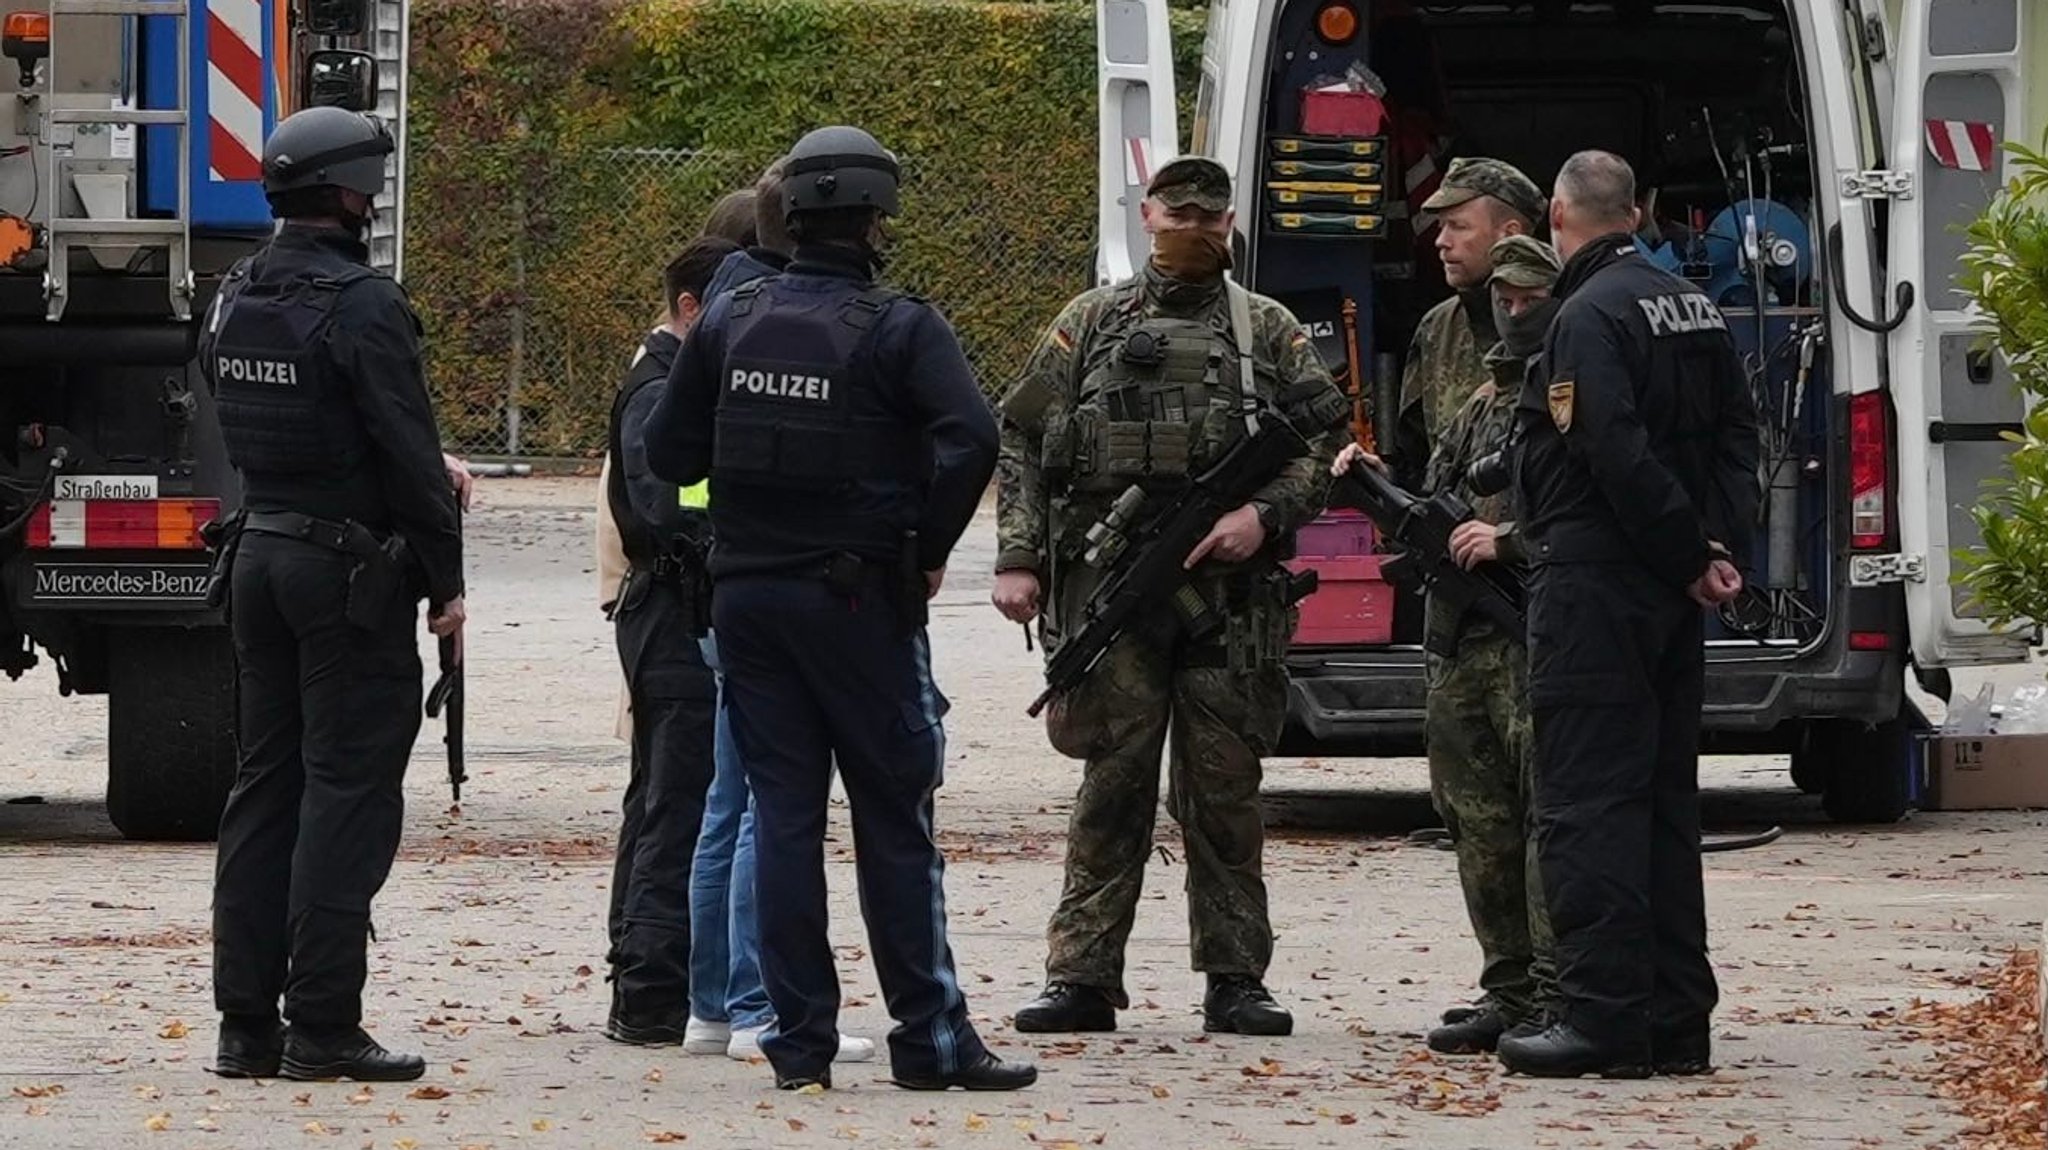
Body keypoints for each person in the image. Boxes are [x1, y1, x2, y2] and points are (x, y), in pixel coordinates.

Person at [644, 124, 1034, 1093]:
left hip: (747, 599)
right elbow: (972, 437)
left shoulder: (729, 317)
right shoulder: (898, 325)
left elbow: (670, 455)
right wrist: (923, 551)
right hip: (858, 598)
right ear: (873, 220)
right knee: (892, 817)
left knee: (780, 816)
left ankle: (799, 1045)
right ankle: (928, 1039)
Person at [994, 156, 1350, 1038]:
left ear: (1229, 221)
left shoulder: (1264, 328)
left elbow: (1325, 442)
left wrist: (1260, 518)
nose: (1193, 224)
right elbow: (1024, 436)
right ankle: (1081, 976)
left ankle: (1235, 976)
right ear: (1147, 213)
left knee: (1223, 787)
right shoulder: (1091, 321)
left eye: (1209, 212)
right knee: (1112, 784)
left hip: (1230, 601)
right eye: (1177, 208)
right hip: (1112, 590)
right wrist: (1019, 559)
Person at [206, 106, 464, 1083]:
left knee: (263, 789)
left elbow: (253, 415)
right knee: (345, 794)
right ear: (353, 192)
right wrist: (446, 583)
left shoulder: (234, 293)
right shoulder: (363, 304)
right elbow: (405, 455)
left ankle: (244, 1025)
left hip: (261, 555)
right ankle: (322, 1021)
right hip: (347, 577)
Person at [1495, 150, 1757, 1079]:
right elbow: (1738, 433)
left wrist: (1685, 552)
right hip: (1669, 589)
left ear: (1559, 215)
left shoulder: (1584, 316)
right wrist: (1713, 549)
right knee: (1661, 805)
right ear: (1637, 211)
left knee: (1587, 808)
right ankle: (1677, 1021)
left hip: (1599, 586)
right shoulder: (1692, 304)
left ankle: (1604, 1021)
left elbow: (1609, 446)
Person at [1331, 235, 1563, 1055]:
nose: (1513, 309)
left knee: (1546, 823)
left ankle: (1555, 993)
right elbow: (1434, 504)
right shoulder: (1475, 408)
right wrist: (1373, 485)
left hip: (1532, 636)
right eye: (1504, 296)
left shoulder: (1570, 396)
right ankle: (1508, 987)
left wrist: (1507, 542)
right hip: (1461, 645)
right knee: (1477, 820)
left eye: (1530, 297)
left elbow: (1588, 516)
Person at [674, 156, 880, 1066]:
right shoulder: (802, 324)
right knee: (766, 804)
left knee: (728, 804)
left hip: (728, 584)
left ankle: (714, 1003)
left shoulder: (720, 321)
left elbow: (670, 454)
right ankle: (760, 1006)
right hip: (792, 580)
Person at [600, 236, 741, 1045]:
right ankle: (651, 992)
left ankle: (645, 974)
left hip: (675, 607)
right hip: (673, 611)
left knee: (663, 794)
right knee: (677, 802)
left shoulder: (673, 380)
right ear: (691, 310)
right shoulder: (660, 389)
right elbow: (671, 505)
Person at [1386, 158, 1545, 492]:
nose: (1441, 241)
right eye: (1442, 226)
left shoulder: (1565, 318)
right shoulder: (1438, 328)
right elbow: (1413, 461)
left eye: (1457, 226)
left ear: (1509, 234)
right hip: (1452, 536)